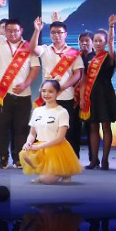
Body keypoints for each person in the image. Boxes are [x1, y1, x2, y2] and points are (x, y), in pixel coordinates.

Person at [0, 0, 43, 169]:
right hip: (1, 95)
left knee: (21, 128)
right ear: (5, 31)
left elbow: (35, 68)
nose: (12, 34)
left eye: (15, 31)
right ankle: (3, 158)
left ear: (21, 30)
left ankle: (19, 158)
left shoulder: (29, 47)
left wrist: (26, 84)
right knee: (1, 128)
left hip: (23, 94)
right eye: (9, 31)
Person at [19, 79, 83, 184]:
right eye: (44, 91)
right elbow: (32, 133)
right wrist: (28, 142)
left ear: (57, 93)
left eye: (50, 91)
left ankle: (63, 172)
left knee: (46, 180)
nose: (46, 94)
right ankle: (45, 172)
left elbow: (60, 138)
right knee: (25, 154)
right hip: (40, 146)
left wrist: (39, 147)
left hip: (56, 147)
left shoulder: (62, 112)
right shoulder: (37, 111)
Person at [37, 16, 85, 156]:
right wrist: (37, 31)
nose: (56, 35)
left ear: (65, 34)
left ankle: (68, 158)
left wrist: (62, 87)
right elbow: (33, 49)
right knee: (47, 129)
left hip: (66, 96)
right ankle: (49, 158)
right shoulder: (45, 49)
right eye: (53, 32)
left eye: (60, 32)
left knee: (67, 130)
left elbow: (78, 74)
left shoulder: (73, 53)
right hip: (48, 97)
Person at [80, 13, 116, 170]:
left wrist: (111, 26)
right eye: (95, 41)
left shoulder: (109, 56)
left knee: (106, 126)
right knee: (92, 127)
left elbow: (112, 42)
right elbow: (84, 79)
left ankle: (105, 159)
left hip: (105, 93)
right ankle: (94, 160)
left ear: (105, 42)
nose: (97, 43)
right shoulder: (89, 58)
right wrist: (83, 97)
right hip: (91, 94)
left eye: (100, 41)